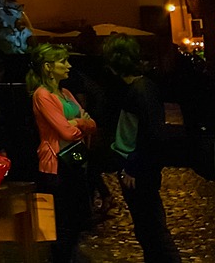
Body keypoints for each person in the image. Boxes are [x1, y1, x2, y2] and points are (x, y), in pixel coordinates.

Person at [103, 35, 181, 263]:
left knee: (154, 230)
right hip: (134, 167)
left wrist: (133, 168)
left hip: (138, 171)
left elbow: (153, 135)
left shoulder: (142, 90)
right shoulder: (138, 88)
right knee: (147, 231)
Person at [29, 43, 97, 263]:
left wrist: (77, 122)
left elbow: (92, 123)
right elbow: (65, 132)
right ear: (48, 67)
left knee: (77, 220)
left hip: (75, 160)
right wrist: (80, 123)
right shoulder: (42, 95)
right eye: (63, 61)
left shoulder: (65, 93)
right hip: (56, 164)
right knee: (62, 224)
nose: (68, 66)